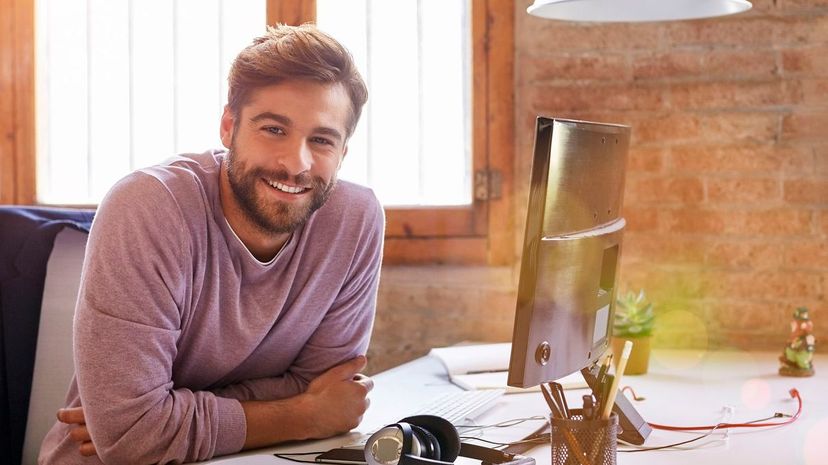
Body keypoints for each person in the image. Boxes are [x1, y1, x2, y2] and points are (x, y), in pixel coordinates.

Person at [38, 23, 384, 464]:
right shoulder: (147, 207)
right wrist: (306, 415)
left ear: (343, 154)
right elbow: (131, 440)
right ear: (228, 127)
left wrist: (166, 412)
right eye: (274, 129)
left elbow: (326, 385)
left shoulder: (355, 220)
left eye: (321, 140)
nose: (296, 163)